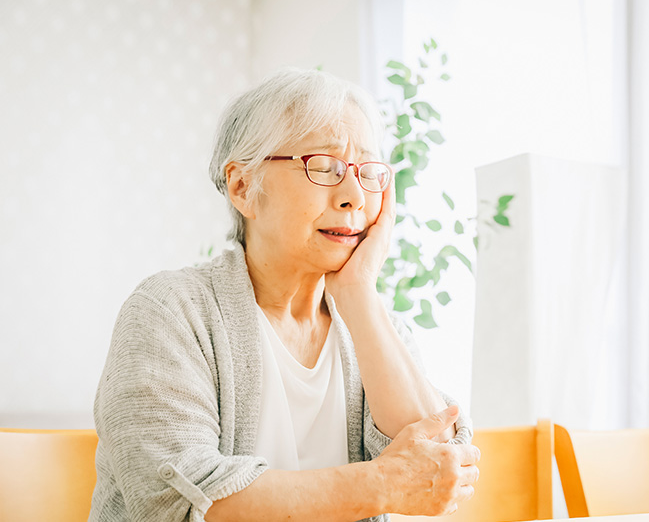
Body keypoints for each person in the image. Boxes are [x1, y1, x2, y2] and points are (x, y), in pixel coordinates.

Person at [89, 67, 479, 522]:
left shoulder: (374, 324)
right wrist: (379, 485)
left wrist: (358, 296)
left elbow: (441, 463)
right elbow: (178, 503)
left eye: (367, 171)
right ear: (243, 188)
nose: (354, 194)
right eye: (325, 167)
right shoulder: (170, 311)